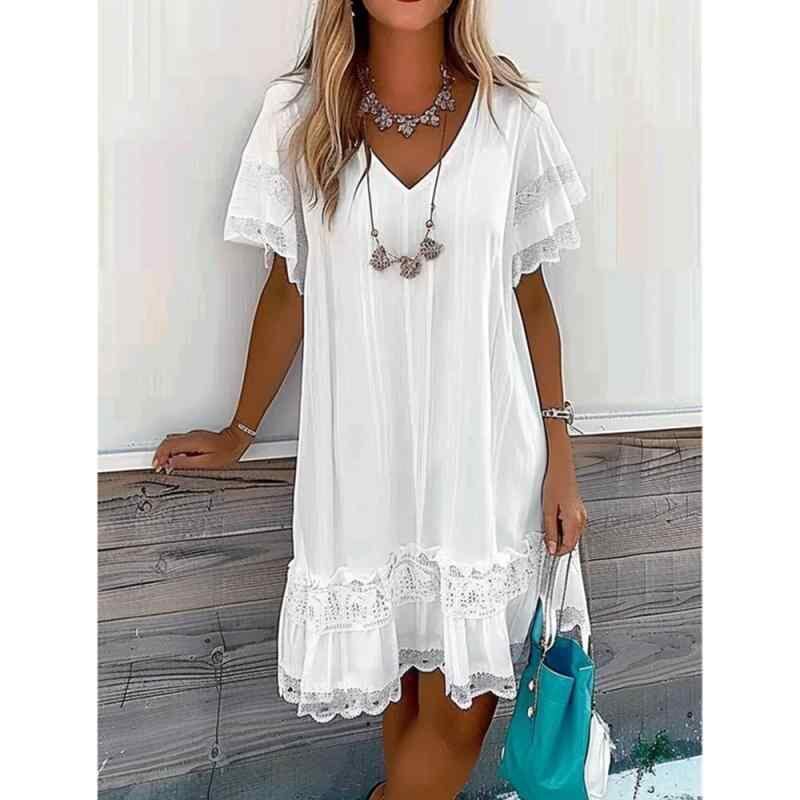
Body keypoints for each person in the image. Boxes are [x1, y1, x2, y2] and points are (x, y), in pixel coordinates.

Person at [153, 2, 589, 798]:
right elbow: (287, 291)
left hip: (483, 466)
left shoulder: (512, 120)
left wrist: (562, 456)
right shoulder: (298, 117)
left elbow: (530, 296)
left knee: (462, 711)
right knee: (406, 687)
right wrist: (240, 429)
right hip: (362, 471)